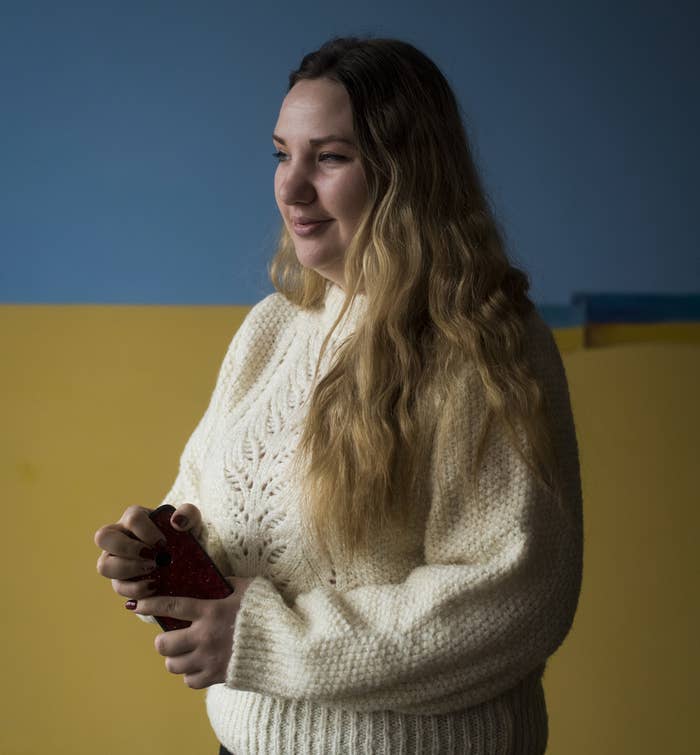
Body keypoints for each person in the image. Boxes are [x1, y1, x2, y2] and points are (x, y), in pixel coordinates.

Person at [94, 35, 583, 755]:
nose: (290, 188)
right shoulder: (271, 330)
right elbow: (219, 513)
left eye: (328, 157)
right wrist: (166, 556)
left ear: (405, 174)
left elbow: (507, 601)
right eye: (280, 154)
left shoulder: (481, 344)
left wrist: (263, 639)